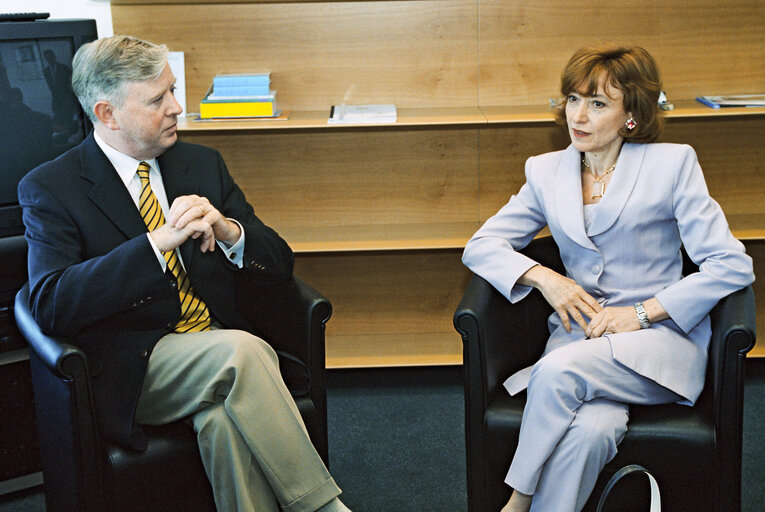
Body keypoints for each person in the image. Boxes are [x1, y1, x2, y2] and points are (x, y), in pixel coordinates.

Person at [19, 35, 350, 512]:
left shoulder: (200, 163)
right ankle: (323, 507)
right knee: (242, 350)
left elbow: (278, 265)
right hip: (138, 363)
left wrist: (230, 230)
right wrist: (153, 246)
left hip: (213, 343)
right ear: (107, 113)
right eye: (158, 99)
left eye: (173, 90)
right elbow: (50, 303)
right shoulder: (52, 187)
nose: (177, 107)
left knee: (223, 421)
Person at [461, 44, 755, 512]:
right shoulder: (546, 172)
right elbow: (480, 246)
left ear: (631, 115)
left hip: (659, 340)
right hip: (580, 339)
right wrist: (546, 278)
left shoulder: (672, 165)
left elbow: (732, 265)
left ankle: (517, 500)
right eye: (573, 99)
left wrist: (640, 314)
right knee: (593, 431)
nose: (579, 115)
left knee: (558, 371)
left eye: (598, 104)